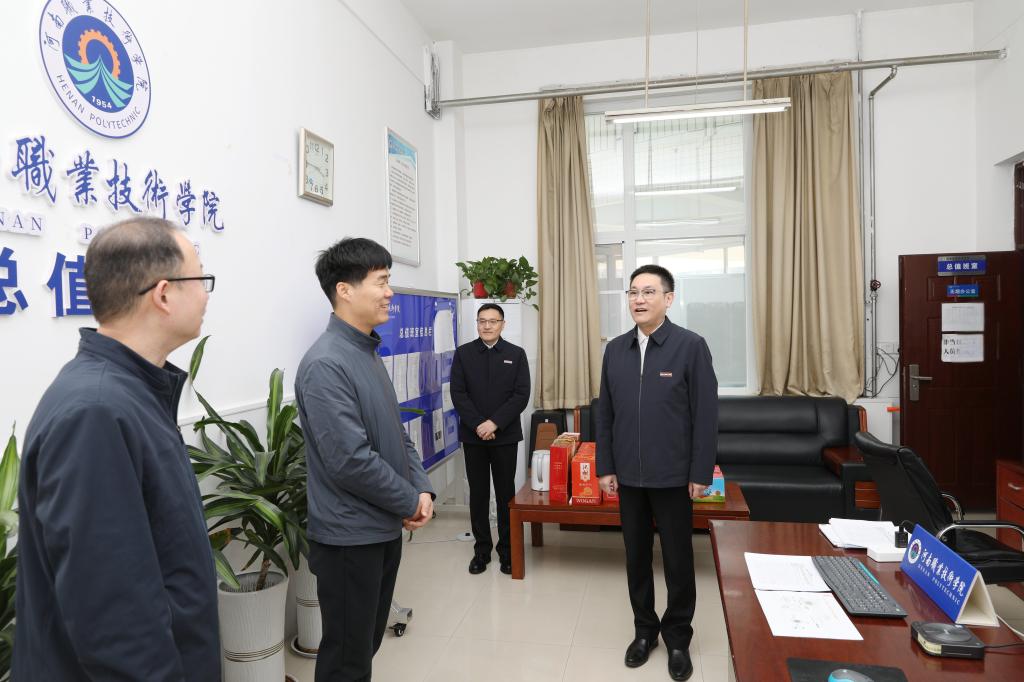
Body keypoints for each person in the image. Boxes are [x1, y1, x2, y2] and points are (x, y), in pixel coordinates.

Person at [14, 218, 220, 680]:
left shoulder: (128, 393)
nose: (206, 295)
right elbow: (116, 625)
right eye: (200, 278)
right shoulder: (96, 413)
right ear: (163, 294)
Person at [295, 237, 435, 681]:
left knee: (365, 646)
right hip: (349, 539)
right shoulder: (326, 364)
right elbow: (351, 461)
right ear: (345, 290)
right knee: (347, 661)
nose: (390, 292)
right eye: (382, 281)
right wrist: (408, 501)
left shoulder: (365, 352)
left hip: (380, 528)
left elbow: (396, 434)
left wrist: (422, 489)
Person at [595, 264, 718, 682]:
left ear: (668, 298)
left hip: (674, 477)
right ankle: (644, 631)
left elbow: (706, 416)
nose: (639, 299)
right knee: (635, 557)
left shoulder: (690, 346)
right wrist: (606, 466)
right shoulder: (616, 349)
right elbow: (605, 414)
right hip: (628, 476)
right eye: (633, 292)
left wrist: (700, 471)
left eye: (648, 292)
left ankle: (678, 637)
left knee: (679, 560)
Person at [450, 303, 530, 575]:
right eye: (482, 321)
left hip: (505, 435)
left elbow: (521, 395)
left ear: (502, 324)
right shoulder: (464, 354)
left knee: (506, 493)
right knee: (479, 493)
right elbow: (458, 394)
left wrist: (494, 423)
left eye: (493, 321)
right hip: (474, 437)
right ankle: (481, 551)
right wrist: (478, 425)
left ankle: (507, 551)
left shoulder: (516, 354)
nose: (487, 326)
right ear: (477, 323)